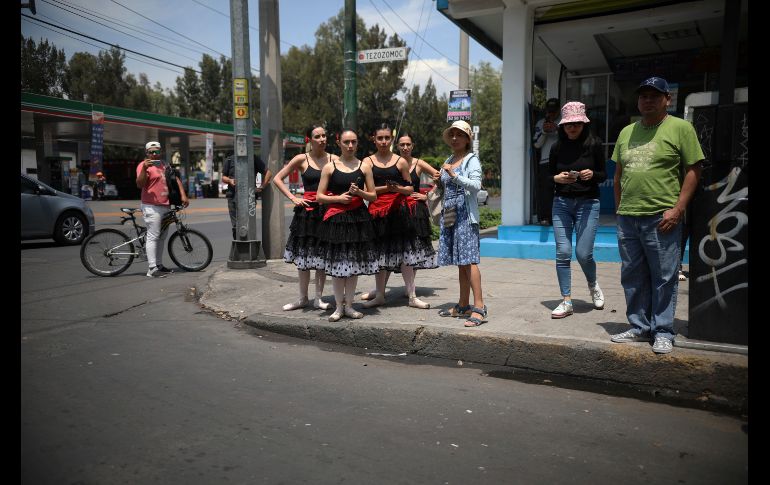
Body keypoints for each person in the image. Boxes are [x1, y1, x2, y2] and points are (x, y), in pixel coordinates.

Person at [610, 76, 704, 354]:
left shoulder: (681, 128)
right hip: (628, 217)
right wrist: (619, 210)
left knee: (664, 276)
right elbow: (618, 176)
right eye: (643, 96)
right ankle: (639, 327)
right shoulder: (627, 132)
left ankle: (663, 330)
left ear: (667, 99)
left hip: (661, 218)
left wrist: (678, 209)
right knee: (633, 275)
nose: (647, 100)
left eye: (654, 96)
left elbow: (693, 170)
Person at [358, 124, 436, 310]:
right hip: (378, 212)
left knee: (406, 254)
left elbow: (409, 188)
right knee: (380, 255)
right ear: (374, 140)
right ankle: (380, 295)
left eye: (387, 138)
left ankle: (412, 296)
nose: (384, 141)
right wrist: (387, 188)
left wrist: (398, 189)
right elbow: (365, 190)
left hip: (400, 212)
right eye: (380, 138)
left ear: (391, 140)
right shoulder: (367, 162)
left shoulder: (400, 162)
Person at [548, 101, 607, 319]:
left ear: (584, 123)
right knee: (563, 252)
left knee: (583, 254)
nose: (572, 128)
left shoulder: (595, 144)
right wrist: (556, 178)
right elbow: (545, 177)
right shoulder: (557, 147)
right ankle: (566, 300)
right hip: (561, 203)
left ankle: (593, 285)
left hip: (588, 203)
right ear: (562, 126)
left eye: (576, 123)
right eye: (568, 124)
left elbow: (604, 174)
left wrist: (593, 175)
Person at [315, 129, 379, 322]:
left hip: (358, 219)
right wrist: (339, 198)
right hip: (336, 219)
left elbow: (373, 195)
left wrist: (359, 192)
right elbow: (319, 197)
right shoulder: (329, 167)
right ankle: (338, 307)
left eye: (353, 142)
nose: (350, 146)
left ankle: (349, 306)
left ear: (357, 143)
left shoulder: (364, 166)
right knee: (336, 265)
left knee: (353, 264)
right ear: (339, 143)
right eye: (346, 142)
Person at [272, 125, 336, 311]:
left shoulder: (334, 159)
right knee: (304, 258)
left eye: (324, 135)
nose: (322, 139)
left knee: (322, 257)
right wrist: (293, 197)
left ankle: (318, 299)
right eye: (318, 136)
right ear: (309, 139)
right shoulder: (302, 158)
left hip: (327, 211)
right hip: (306, 213)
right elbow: (277, 178)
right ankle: (302, 298)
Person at [434, 120, 487, 327]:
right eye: (453, 134)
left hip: (465, 215)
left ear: (467, 139)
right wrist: (439, 179)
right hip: (451, 215)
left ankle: (479, 306)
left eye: (460, 135)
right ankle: (463, 304)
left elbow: (475, 186)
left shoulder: (471, 160)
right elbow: (446, 186)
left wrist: (453, 176)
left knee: (469, 260)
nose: (455, 138)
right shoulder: (450, 158)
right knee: (460, 261)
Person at [135, 141, 190, 278]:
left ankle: (159, 265)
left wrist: (183, 195)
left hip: (165, 205)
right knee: (153, 236)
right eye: (151, 152)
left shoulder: (164, 164)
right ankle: (152, 268)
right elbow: (139, 184)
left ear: (161, 152)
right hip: (151, 206)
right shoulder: (143, 165)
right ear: (146, 153)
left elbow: (175, 179)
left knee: (161, 237)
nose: (154, 154)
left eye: (157, 152)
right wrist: (143, 170)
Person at [221, 154, 273, 240]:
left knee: (248, 225)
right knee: (235, 227)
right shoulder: (230, 159)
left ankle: (250, 246)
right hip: (233, 197)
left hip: (249, 197)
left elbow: (268, 173)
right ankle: (238, 246)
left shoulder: (253, 158)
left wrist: (261, 187)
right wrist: (230, 180)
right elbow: (223, 177)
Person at [533, 98, 561, 225]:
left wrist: (557, 129)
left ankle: (562, 218)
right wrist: (544, 131)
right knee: (545, 192)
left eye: (554, 112)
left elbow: (570, 139)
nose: (551, 114)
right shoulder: (540, 123)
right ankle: (545, 218)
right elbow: (536, 145)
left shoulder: (564, 122)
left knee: (563, 190)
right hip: (545, 162)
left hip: (562, 161)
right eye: (549, 112)